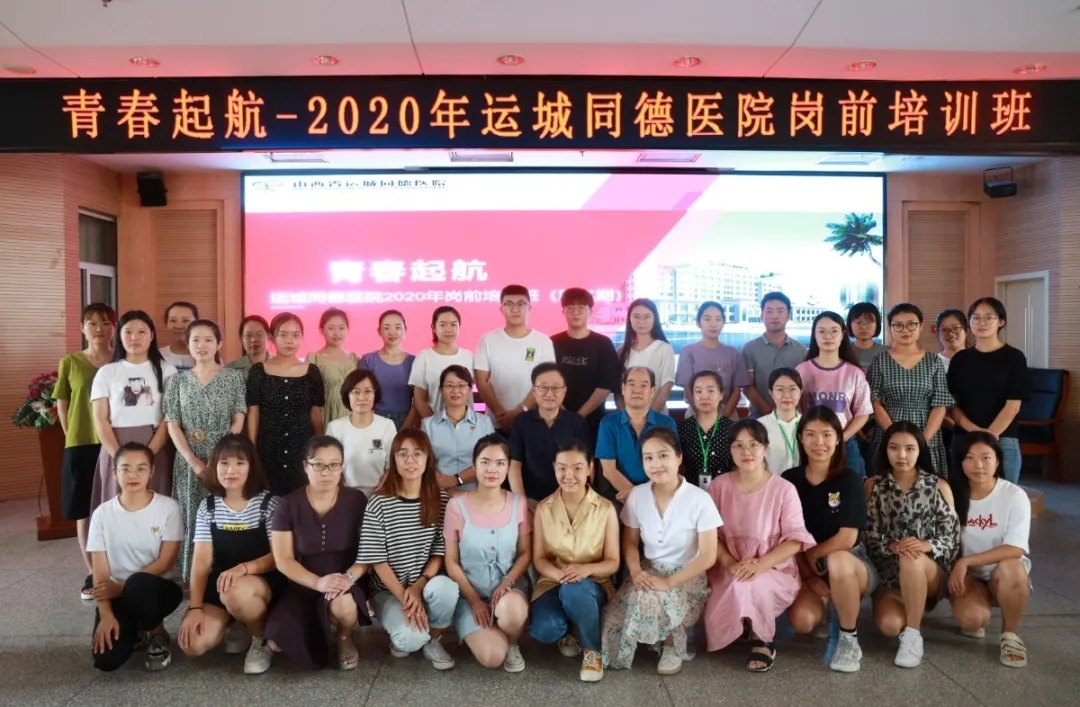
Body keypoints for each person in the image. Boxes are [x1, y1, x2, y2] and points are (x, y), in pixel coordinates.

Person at [602, 428, 720, 675]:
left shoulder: (700, 499)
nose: (656, 464)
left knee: (650, 598)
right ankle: (645, 640)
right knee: (613, 618)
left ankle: (671, 646)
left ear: (678, 457)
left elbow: (708, 556)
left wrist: (668, 583)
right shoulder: (638, 495)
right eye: (648, 458)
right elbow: (630, 542)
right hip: (649, 570)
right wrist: (636, 571)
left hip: (687, 575)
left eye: (663, 455)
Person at [703, 419, 815, 672]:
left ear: (765, 448)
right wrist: (731, 564)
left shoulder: (783, 489)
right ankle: (743, 622)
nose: (747, 451)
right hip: (728, 565)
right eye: (738, 445)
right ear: (730, 450)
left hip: (773, 568)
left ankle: (762, 640)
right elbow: (711, 537)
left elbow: (795, 540)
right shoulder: (718, 487)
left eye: (753, 444)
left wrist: (760, 565)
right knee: (734, 584)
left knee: (750, 583)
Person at [782, 407, 878, 673]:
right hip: (809, 568)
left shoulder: (849, 479)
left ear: (838, 438)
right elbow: (787, 536)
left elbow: (847, 538)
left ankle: (849, 638)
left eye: (826, 434)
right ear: (801, 438)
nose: (819, 442)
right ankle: (827, 607)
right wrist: (808, 574)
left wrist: (814, 554)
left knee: (837, 559)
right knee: (802, 621)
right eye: (810, 434)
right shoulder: (789, 480)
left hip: (852, 565)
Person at [177, 435, 283, 674]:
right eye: (224, 463)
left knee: (234, 591)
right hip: (222, 583)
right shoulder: (208, 508)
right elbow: (201, 562)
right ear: (214, 466)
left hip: (261, 582)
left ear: (251, 467)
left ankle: (259, 639)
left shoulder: (269, 504)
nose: (231, 470)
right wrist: (194, 608)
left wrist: (243, 569)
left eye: (240, 463)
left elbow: (278, 557)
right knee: (192, 644)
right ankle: (238, 620)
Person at [265, 435, 371, 670]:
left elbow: (369, 551)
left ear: (341, 467)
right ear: (306, 466)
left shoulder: (356, 500)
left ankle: (344, 636)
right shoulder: (287, 505)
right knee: (276, 640)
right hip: (303, 584)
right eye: (318, 465)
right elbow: (283, 560)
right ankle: (317, 627)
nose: (326, 472)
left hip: (344, 581)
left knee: (343, 605)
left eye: (334, 465)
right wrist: (318, 583)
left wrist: (347, 579)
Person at [358, 429, 460, 669]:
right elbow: (377, 561)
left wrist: (417, 587)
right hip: (388, 590)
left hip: (424, 583)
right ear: (393, 459)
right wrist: (405, 597)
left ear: (427, 459)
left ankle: (433, 640)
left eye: (417, 453)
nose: (410, 460)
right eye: (402, 454)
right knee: (410, 640)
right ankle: (408, 634)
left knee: (446, 589)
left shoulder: (440, 500)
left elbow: (438, 553)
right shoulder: (379, 503)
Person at [866, 421, 961, 668]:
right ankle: (908, 613)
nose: (902, 455)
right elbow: (867, 534)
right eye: (894, 448)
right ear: (885, 450)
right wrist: (892, 545)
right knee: (889, 625)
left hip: (928, 571)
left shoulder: (938, 486)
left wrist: (925, 546)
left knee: (912, 557)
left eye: (910, 448)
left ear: (920, 450)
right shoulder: (874, 486)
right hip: (889, 576)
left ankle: (913, 634)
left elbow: (952, 538)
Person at [87, 442, 184, 672]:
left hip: (157, 589)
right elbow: (100, 574)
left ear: (151, 472)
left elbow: (166, 562)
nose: (133, 475)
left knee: (139, 585)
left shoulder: (168, 507)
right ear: (115, 472)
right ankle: (136, 630)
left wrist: (121, 587)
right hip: (116, 594)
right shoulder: (102, 514)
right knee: (106, 660)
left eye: (141, 468)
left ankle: (157, 633)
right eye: (125, 469)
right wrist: (106, 615)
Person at [529, 441, 620, 682]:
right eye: (562, 468)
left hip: (592, 585)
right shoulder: (544, 508)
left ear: (590, 468)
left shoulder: (605, 509)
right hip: (553, 581)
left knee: (576, 591)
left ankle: (592, 651)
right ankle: (570, 630)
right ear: (554, 468)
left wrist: (585, 569)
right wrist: (561, 576)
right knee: (543, 629)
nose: (569, 475)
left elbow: (613, 562)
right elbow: (539, 559)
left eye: (577, 468)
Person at [164, 319, 247, 581]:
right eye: (196, 340)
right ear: (188, 344)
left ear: (219, 344)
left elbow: (238, 419)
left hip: (225, 460)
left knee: (225, 513)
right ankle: (192, 575)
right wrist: (195, 462)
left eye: (208, 340)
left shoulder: (234, 378)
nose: (202, 345)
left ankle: (225, 574)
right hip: (189, 460)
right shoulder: (177, 382)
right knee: (190, 513)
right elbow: (173, 424)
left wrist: (218, 458)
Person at [443, 435, 532, 672]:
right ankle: (491, 633)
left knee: (512, 611)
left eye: (500, 463)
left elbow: (525, 553)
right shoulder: (456, 505)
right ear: (474, 466)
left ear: (508, 467)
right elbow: (451, 560)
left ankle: (512, 641)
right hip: (470, 594)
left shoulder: (519, 503)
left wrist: (507, 581)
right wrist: (474, 600)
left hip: (509, 590)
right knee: (492, 657)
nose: (492, 469)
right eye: (485, 462)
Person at [948, 431, 1031, 668]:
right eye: (970, 457)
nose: (978, 465)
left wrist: (967, 561)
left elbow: (1015, 548)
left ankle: (1011, 635)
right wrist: (959, 566)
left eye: (986, 457)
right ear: (960, 462)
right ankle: (977, 605)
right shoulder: (950, 493)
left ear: (997, 461)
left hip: (1001, 572)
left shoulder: (1014, 495)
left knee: (1012, 568)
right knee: (973, 620)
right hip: (967, 576)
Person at [56, 302, 117, 600]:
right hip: (81, 444)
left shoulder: (122, 361)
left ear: (114, 328)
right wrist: (71, 435)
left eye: (106, 322)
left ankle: (118, 570)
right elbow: (63, 403)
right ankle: (93, 572)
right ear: (82, 328)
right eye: (92, 323)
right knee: (84, 511)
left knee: (115, 506)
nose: (99, 328)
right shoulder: (70, 362)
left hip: (115, 443)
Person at [90, 310, 178, 516]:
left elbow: (170, 415)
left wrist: (150, 453)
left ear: (152, 335)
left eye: (141, 332)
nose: (134, 337)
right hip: (115, 442)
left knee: (156, 505)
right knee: (116, 506)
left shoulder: (167, 370)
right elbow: (100, 418)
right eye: (128, 332)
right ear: (119, 335)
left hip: (155, 442)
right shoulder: (106, 372)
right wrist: (118, 456)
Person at [947, 297, 1029, 485]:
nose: (981, 322)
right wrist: (975, 431)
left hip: (1002, 438)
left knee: (1004, 495)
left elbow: (1013, 405)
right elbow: (952, 404)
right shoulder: (960, 359)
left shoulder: (1014, 357)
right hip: (964, 437)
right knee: (962, 496)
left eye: (988, 317)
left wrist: (989, 435)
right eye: (976, 317)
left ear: (1001, 322)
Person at [867, 304, 953, 477]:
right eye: (898, 325)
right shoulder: (879, 361)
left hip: (926, 431)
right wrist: (895, 438)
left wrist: (922, 441)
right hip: (888, 429)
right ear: (890, 328)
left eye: (911, 324)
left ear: (920, 327)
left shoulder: (933, 361)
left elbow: (940, 405)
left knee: (927, 485)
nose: (905, 330)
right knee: (885, 484)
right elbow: (874, 403)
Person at [247, 312, 325, 496]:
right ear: (272, 337)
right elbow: (253, 413)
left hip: (302, 446)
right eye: (283, 334)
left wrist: (321, 446)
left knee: (301, 499)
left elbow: (315, 414)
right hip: (268, 447)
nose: (290, 340)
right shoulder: (258, 371)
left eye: (295, 335)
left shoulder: (312, 371)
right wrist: (251, 450)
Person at [796, 311, 873, 477]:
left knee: (851, 488)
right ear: (814, 335)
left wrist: (841, 438)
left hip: (845, 443)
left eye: (834, 331)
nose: (828, 336)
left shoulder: (854, 373)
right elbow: (796, 410)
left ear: (843, 335)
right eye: (822, 331)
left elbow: (863, 413)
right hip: (811, 443)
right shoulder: (801, 371)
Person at [475, 285, 556, 436]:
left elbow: (546, 381)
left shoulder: (543, 341)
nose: (515, 309)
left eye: (521, 304)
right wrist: (501, 414)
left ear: (529, 308)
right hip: (496, 423)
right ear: (501, 309)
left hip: (533, 421)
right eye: (509, 304)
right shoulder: (487, 340)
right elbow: (481, 382)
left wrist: (520, 410)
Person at [508, 363, 588, 503]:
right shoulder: (521, 421)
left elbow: (585, 466)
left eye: (556, 388)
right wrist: (522, 503)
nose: (549, 393)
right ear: (534, 391)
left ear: (564, 391)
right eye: (543, 387)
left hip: (568, 498)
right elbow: (514, 465)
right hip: (530, 498)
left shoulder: (576, 422)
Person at [596, 367, 678, 503]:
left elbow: (670, 466)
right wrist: (636, 497)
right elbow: (609, 470)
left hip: (657, 493)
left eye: (644, 385)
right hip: (619, 494)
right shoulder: (608, 423)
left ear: (652, 391)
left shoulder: (667, 423)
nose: (637, 390)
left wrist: (643, 496)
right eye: (632, 384)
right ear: (623, 389)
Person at [551, 287, 620, 443]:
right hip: (556, 418)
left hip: (593, 420)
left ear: (591, 311)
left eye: (581, 308)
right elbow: (545, 380)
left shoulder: (603, 343)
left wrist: (579, 416)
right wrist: (563, 413)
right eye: (570, 308)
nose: (576, 313)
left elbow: (605, 385)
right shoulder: (552, 342)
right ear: (563, 312)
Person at [325, 368, 397, 497]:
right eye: (355, 392)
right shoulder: (335, 428)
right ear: (347, 395)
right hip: (344, 496)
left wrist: (378, 494)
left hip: (379, 496)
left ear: (375, 394)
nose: (362, 397)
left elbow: (392, 467)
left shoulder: (387, 426)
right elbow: (330, 467)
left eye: (368, 391)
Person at [423, 365, 495, 493]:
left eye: (461, 385)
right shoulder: (428, 425)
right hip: (439, 493)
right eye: (449, 386)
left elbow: (490, 462)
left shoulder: (484, 423)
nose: (455, 390)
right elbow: (424, 462)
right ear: (441, 390)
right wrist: (445, 488)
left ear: (470, 389)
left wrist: (456, 480)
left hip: (476, 494)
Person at [675, 301, 749, 419]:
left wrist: (723, 419)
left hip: (727, 412)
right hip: (697, 412)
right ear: (698, 323)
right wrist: (703, 416)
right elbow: (687, 389)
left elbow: (736, 392)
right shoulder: (688, 352)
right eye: (707, 319)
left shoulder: (734, 353)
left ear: (723, 323)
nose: (713, 324)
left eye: (718, 319)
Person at [741, 292, 808, 418]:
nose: (775, 316)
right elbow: (747, 387)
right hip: (759, 420)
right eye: (769, 311)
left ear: (788, 316)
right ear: (762, 316)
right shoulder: (750, 349)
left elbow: (803, 388)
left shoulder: (801, 350)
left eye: (780, 311)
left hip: (793, 420)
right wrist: (771, 413)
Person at [409, 306, 474, 418]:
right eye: (443, 325)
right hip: (434, 422)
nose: (448, 329)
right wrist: (434, 424)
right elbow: (419, 400)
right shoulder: (424, 357)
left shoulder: (469, 356)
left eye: (453, 324)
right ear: (433, 327)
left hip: (467, 424)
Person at [676, 370, 734, 488]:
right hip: (691, 492)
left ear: (721, 394)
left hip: (725, 492)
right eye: (698, 391)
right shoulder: (682, 429)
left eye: (711, 391)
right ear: (692, 395)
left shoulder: (733, 429)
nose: (704, 396)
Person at [360, 310, 417, 430]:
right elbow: (363, 395)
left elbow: (418, 401)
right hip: (375, 420)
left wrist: (404, 430)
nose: (392, 332)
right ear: (379, 331)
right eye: (386, 328)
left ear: (405, 330)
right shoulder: (368, 360)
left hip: (406, 420)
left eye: (397, 327)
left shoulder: (414, 361)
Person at [616, 298, 675, 412]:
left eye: (647, 316)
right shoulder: (622, 351)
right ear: (629, 319)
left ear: (654, 319)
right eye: (636, 316)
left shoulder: (664, 349)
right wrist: (625, 416)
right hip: (626, 418)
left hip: (656, 417)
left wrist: (649, 418)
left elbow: (666, 388)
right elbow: (618, 390)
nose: (641, 322)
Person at [307, 308, 360, 425]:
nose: (337, 333)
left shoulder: (355, 359)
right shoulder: (313, 359)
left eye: (341, 328)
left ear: (347, 330)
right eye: (331, 328)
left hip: (353, 419)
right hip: (325, 417)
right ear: (322, 330)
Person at [758, 369, 803, 474]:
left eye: (792, 389)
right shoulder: (760, 426)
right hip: (772, 483)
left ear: (800, 392)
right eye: (780, 389)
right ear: (771, 393)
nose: (787, 395)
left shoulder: (809, 424)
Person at [226, 315, 273, 381]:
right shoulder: (230, 369)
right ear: (241, 338)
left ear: (269, 336)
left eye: (259, 334)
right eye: (248, 335)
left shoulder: (281, 366)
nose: (253, 339)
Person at [847, 302, 889, 371]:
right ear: (850, 324)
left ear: (877, 324)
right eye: (858, 322)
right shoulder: (843, 352)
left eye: (868, 322)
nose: (863, 327)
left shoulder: (888, 352)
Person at [159, 301, 198, 370]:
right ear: (166, 324)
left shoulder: (209, 357)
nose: (178, 326)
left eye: (185, 321)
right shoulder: (156, 357)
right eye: (173, 320)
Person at [936, 308, 969, 374]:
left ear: (966, 331)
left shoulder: (978, 361)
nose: (950, 334)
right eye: (944, 329)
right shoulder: (931, 364)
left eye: (956, 328)